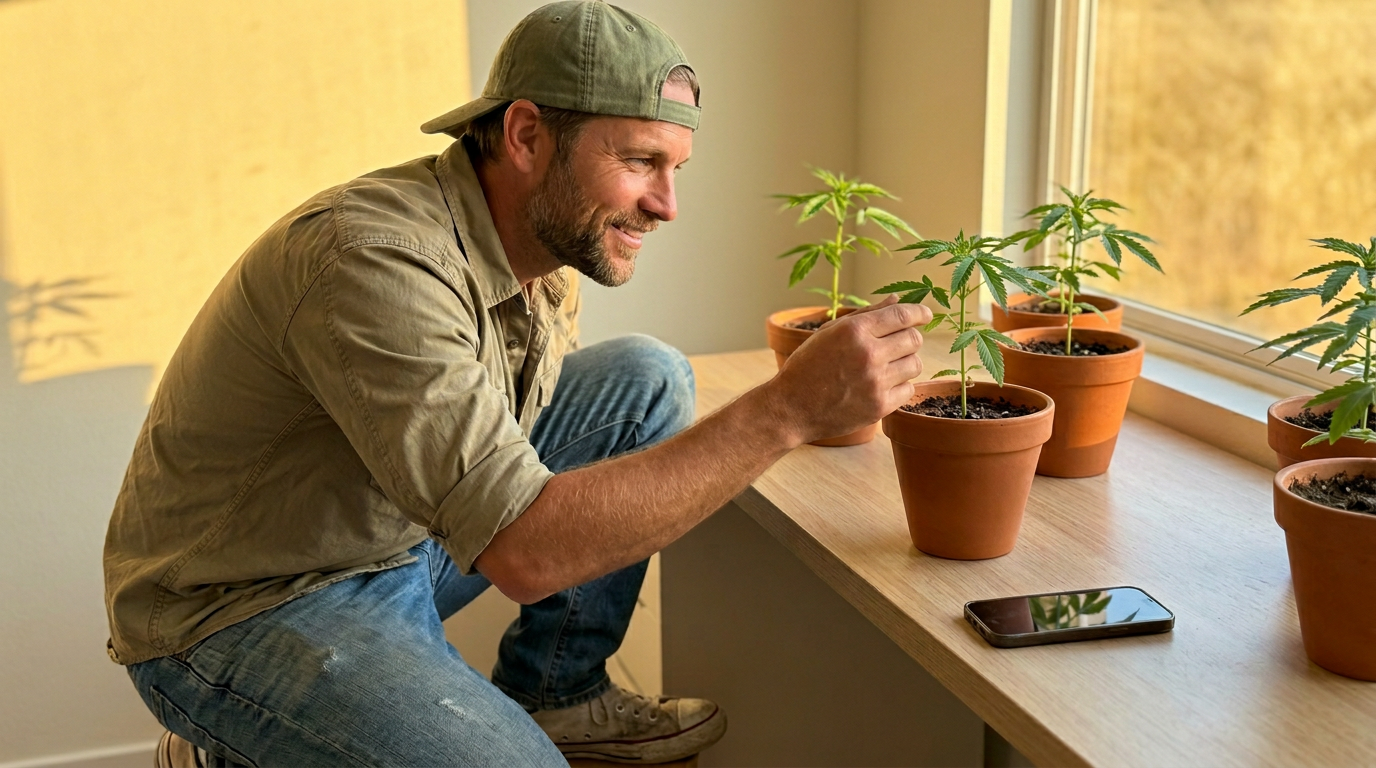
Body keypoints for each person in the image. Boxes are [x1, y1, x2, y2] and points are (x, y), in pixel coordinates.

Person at [104, 2, 931, 765]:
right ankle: (232, 743)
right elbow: (528, 554)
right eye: (641, 161)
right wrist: (786, 409)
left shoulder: (543, 240)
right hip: (254, 603)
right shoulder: (373, 261)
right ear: (527, 136)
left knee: (645, 380)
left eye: (675, 166)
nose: (668, 205)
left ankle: (557, 690)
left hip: (390, 530)